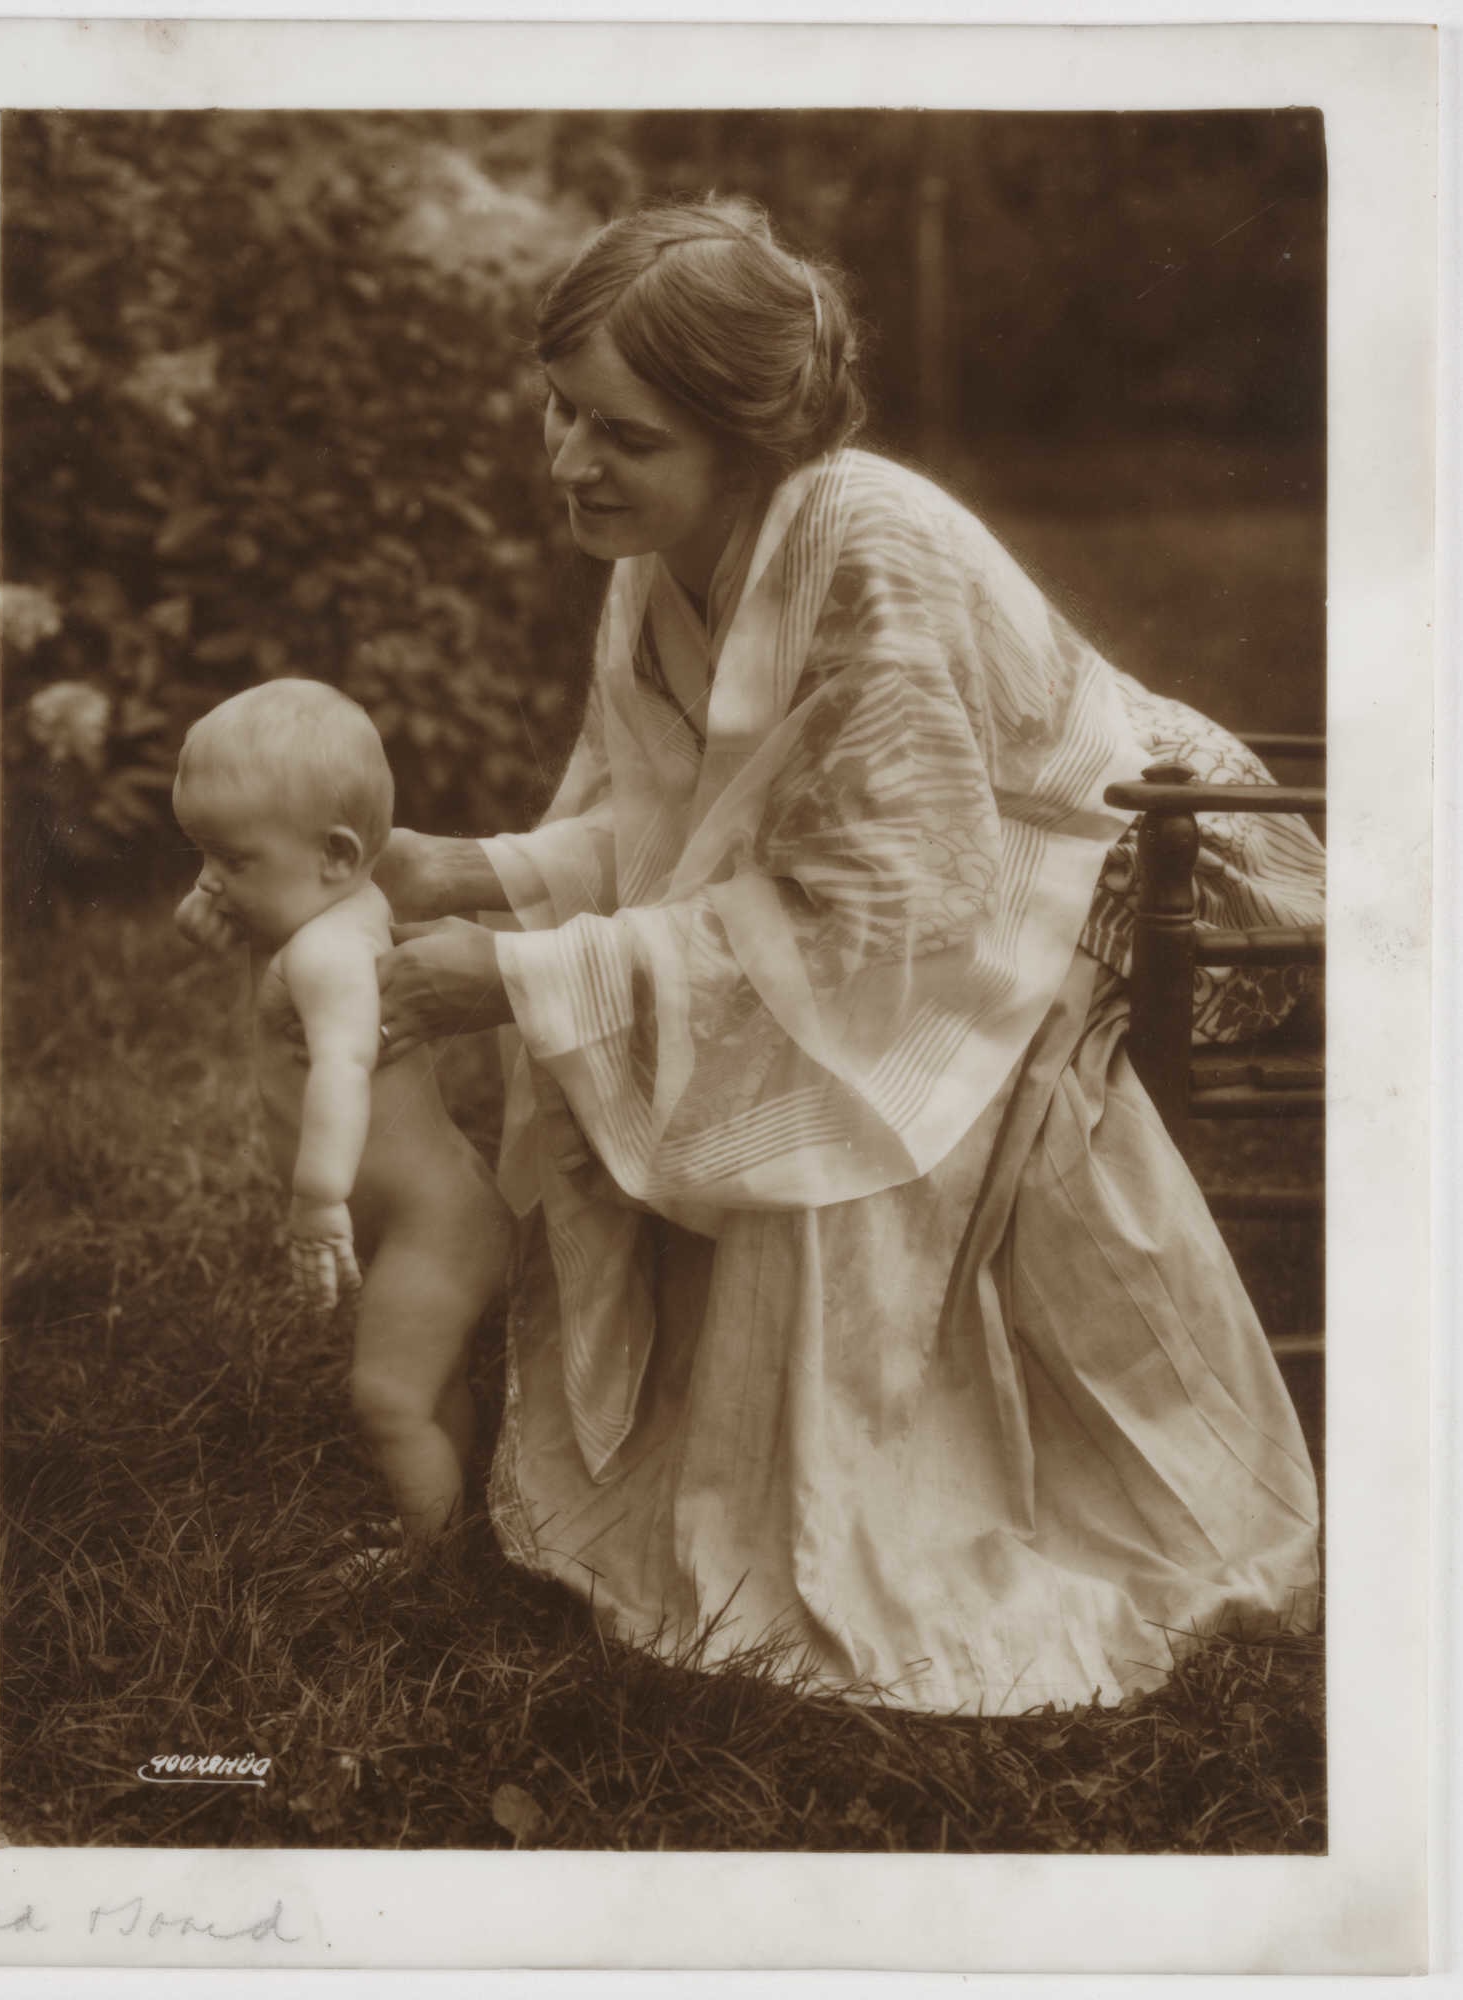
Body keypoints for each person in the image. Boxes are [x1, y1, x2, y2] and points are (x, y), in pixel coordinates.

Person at [371, 196, 1324, 1712]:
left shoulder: (865, 548)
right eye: (556, 413)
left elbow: (883, 921)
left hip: (1138, 871)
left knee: (836, 1123)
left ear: (745, 437)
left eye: (616, 433)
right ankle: (726, 1471)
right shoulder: (656, 554)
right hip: (914, 891)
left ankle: (851, 1512)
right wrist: (468, 870)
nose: (564, 462)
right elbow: (669, 833)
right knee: (761, 1062)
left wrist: (517, 975)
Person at [172, 679, 511, 1549]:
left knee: (387, 1397)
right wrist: (209, 908)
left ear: (334, 853)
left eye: (232, 862)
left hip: (427, 1226)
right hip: (434, 1209)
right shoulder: (330, 904)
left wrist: (318, 1197)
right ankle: (445, 1517)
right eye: (199, 855)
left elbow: (344, 1065)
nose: (210, 882)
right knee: (429, 1384)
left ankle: (429, 1565)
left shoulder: (325, 953)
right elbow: (232, 904)